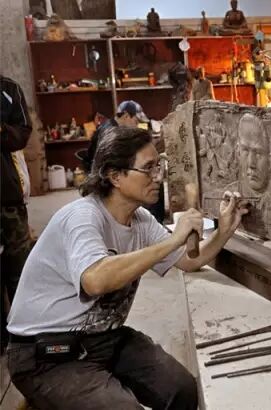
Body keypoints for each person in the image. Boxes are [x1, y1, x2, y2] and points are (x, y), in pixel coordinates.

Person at [6, 126, 248, 409]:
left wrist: (224, 230)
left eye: (159, 166)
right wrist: (174, 239)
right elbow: (95, 280)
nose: (158, 176)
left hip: (103, 338)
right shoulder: (83, 217)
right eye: (148, 168)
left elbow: (187, 260)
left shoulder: (141, 220)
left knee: (181, 389)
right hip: (47, 354)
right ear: (115, 176)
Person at [1, 76, 33, 353]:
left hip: (7, 197)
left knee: (19, 269)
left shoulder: (8, 89)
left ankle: (25, 334)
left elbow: (22, 134)